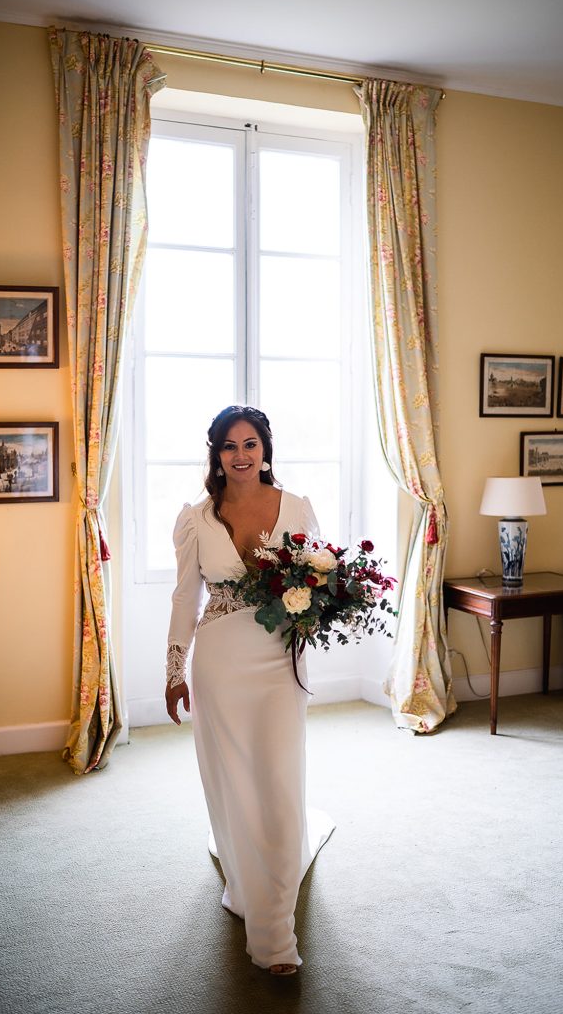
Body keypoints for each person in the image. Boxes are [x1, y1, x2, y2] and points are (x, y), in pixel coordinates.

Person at [165, 404, 334, 975]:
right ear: (216, 455)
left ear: (265, 450)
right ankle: (273, 939)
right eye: (229, 446)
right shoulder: (196, 519)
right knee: (235, 782)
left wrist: (315, 613)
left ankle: (273, 906)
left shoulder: (298, 507)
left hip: (280, 659)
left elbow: (320, 580)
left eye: (250, 444)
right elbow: (185, 597)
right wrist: (174, 670)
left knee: (280, 780)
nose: (240, 455)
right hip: (219, 663)